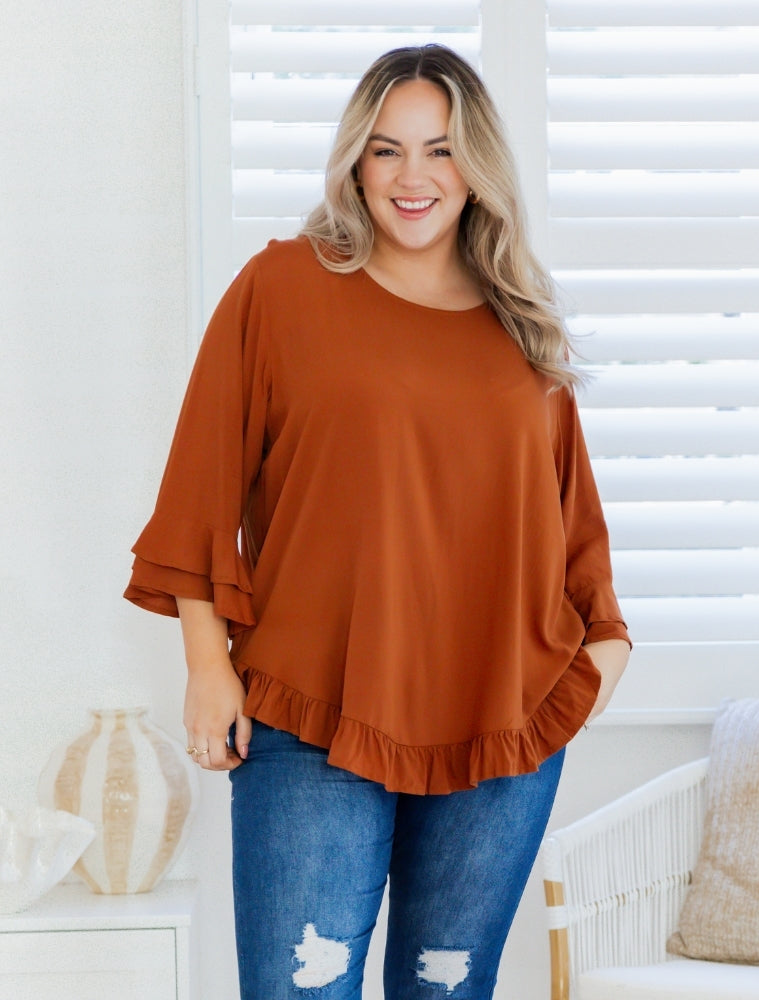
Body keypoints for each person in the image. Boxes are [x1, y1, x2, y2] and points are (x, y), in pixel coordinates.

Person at [125, 44, 630, 1000]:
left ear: (477, 167)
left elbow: (567, 515)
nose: (412, 177)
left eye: (440, 150)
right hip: (311, 712)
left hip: (498, 724)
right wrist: (206, 665)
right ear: (355, 161)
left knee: (448, 990)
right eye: (387, 149)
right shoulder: (281, 288)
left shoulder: (521, 322)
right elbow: (200, 487)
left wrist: (604, 648)